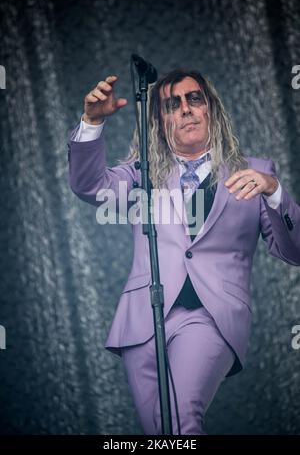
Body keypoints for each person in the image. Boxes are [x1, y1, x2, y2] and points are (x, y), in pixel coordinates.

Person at [68, 69, 300, 435]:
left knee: (178, 421)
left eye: (194, 99)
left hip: (211, 318)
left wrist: (274, 192)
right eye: (172, 104)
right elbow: (90, 187)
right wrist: (92, 122)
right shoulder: (141, 174)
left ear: (211, 110)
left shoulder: (255, 172)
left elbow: (295, 251)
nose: (185, 110)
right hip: (143, 323)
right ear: (161, 121)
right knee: (159, 435)